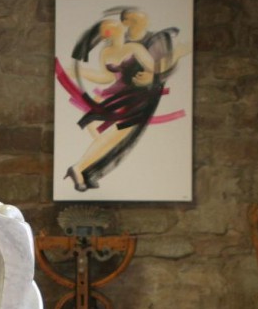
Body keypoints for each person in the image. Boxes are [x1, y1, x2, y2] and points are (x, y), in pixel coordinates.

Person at [56, 11, 187, 192]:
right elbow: (105, 77)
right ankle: (81, 168)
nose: (117, 27)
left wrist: (173, 58)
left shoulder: (133, 47)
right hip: (120, 96)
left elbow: (154, 69)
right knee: (109, 135)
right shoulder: (107, 52)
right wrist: (82, 72)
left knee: (115, 136)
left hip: (136, 96)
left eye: (116, 25)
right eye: (110, 27)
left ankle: (82, 169)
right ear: (107, 34)